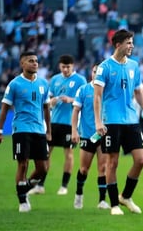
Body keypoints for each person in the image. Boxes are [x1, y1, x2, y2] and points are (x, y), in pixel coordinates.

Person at [93, 29, 143, 215]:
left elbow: (138, 92)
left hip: (131, 120)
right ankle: (113, 204)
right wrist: (98, 121)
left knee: (141, 160)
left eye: (132, 42)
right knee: (112, 162)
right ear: (118, 44)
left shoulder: (134, 66)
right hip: (111, 121)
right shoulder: (105, 67)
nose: (132, 46)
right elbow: (97, 97)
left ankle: (125, 196)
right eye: (128, 42)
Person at [0, 51, 51, 212]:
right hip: (21, 128)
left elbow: (46, 109)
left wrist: (49, 131)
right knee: (23, 164)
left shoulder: (43, 84)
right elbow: (4, 108)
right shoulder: (15, 84)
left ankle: (23, 190)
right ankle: (22, 201)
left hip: (39, 130)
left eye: (36, 61)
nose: (35, 63)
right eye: (31, 61)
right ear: (22, 64)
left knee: (42, 169)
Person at [29, 54, 87, 195]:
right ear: (59, 66)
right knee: (46, 153)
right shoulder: (54, 79)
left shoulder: (80, 80)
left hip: (69, 123)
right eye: (63, 67)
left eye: (68, 67)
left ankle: (64, 186)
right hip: (53, 123)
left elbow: (86, 100)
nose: (65, 69)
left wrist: (71, 99)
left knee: (69, 154)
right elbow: (48, 98)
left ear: (72, 66)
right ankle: (40, 185)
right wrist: (52, 101)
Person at [71, 63, 110, 210]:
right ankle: (79, 194)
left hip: (104, 135)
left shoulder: (107, 90)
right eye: (94, 71)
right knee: (84, 169)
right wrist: (74, 131)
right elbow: (75, 111)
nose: (96, 74)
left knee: (103, 167)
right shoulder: (83, 89)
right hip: (87, 135)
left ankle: (102, 200)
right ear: (91, 73)